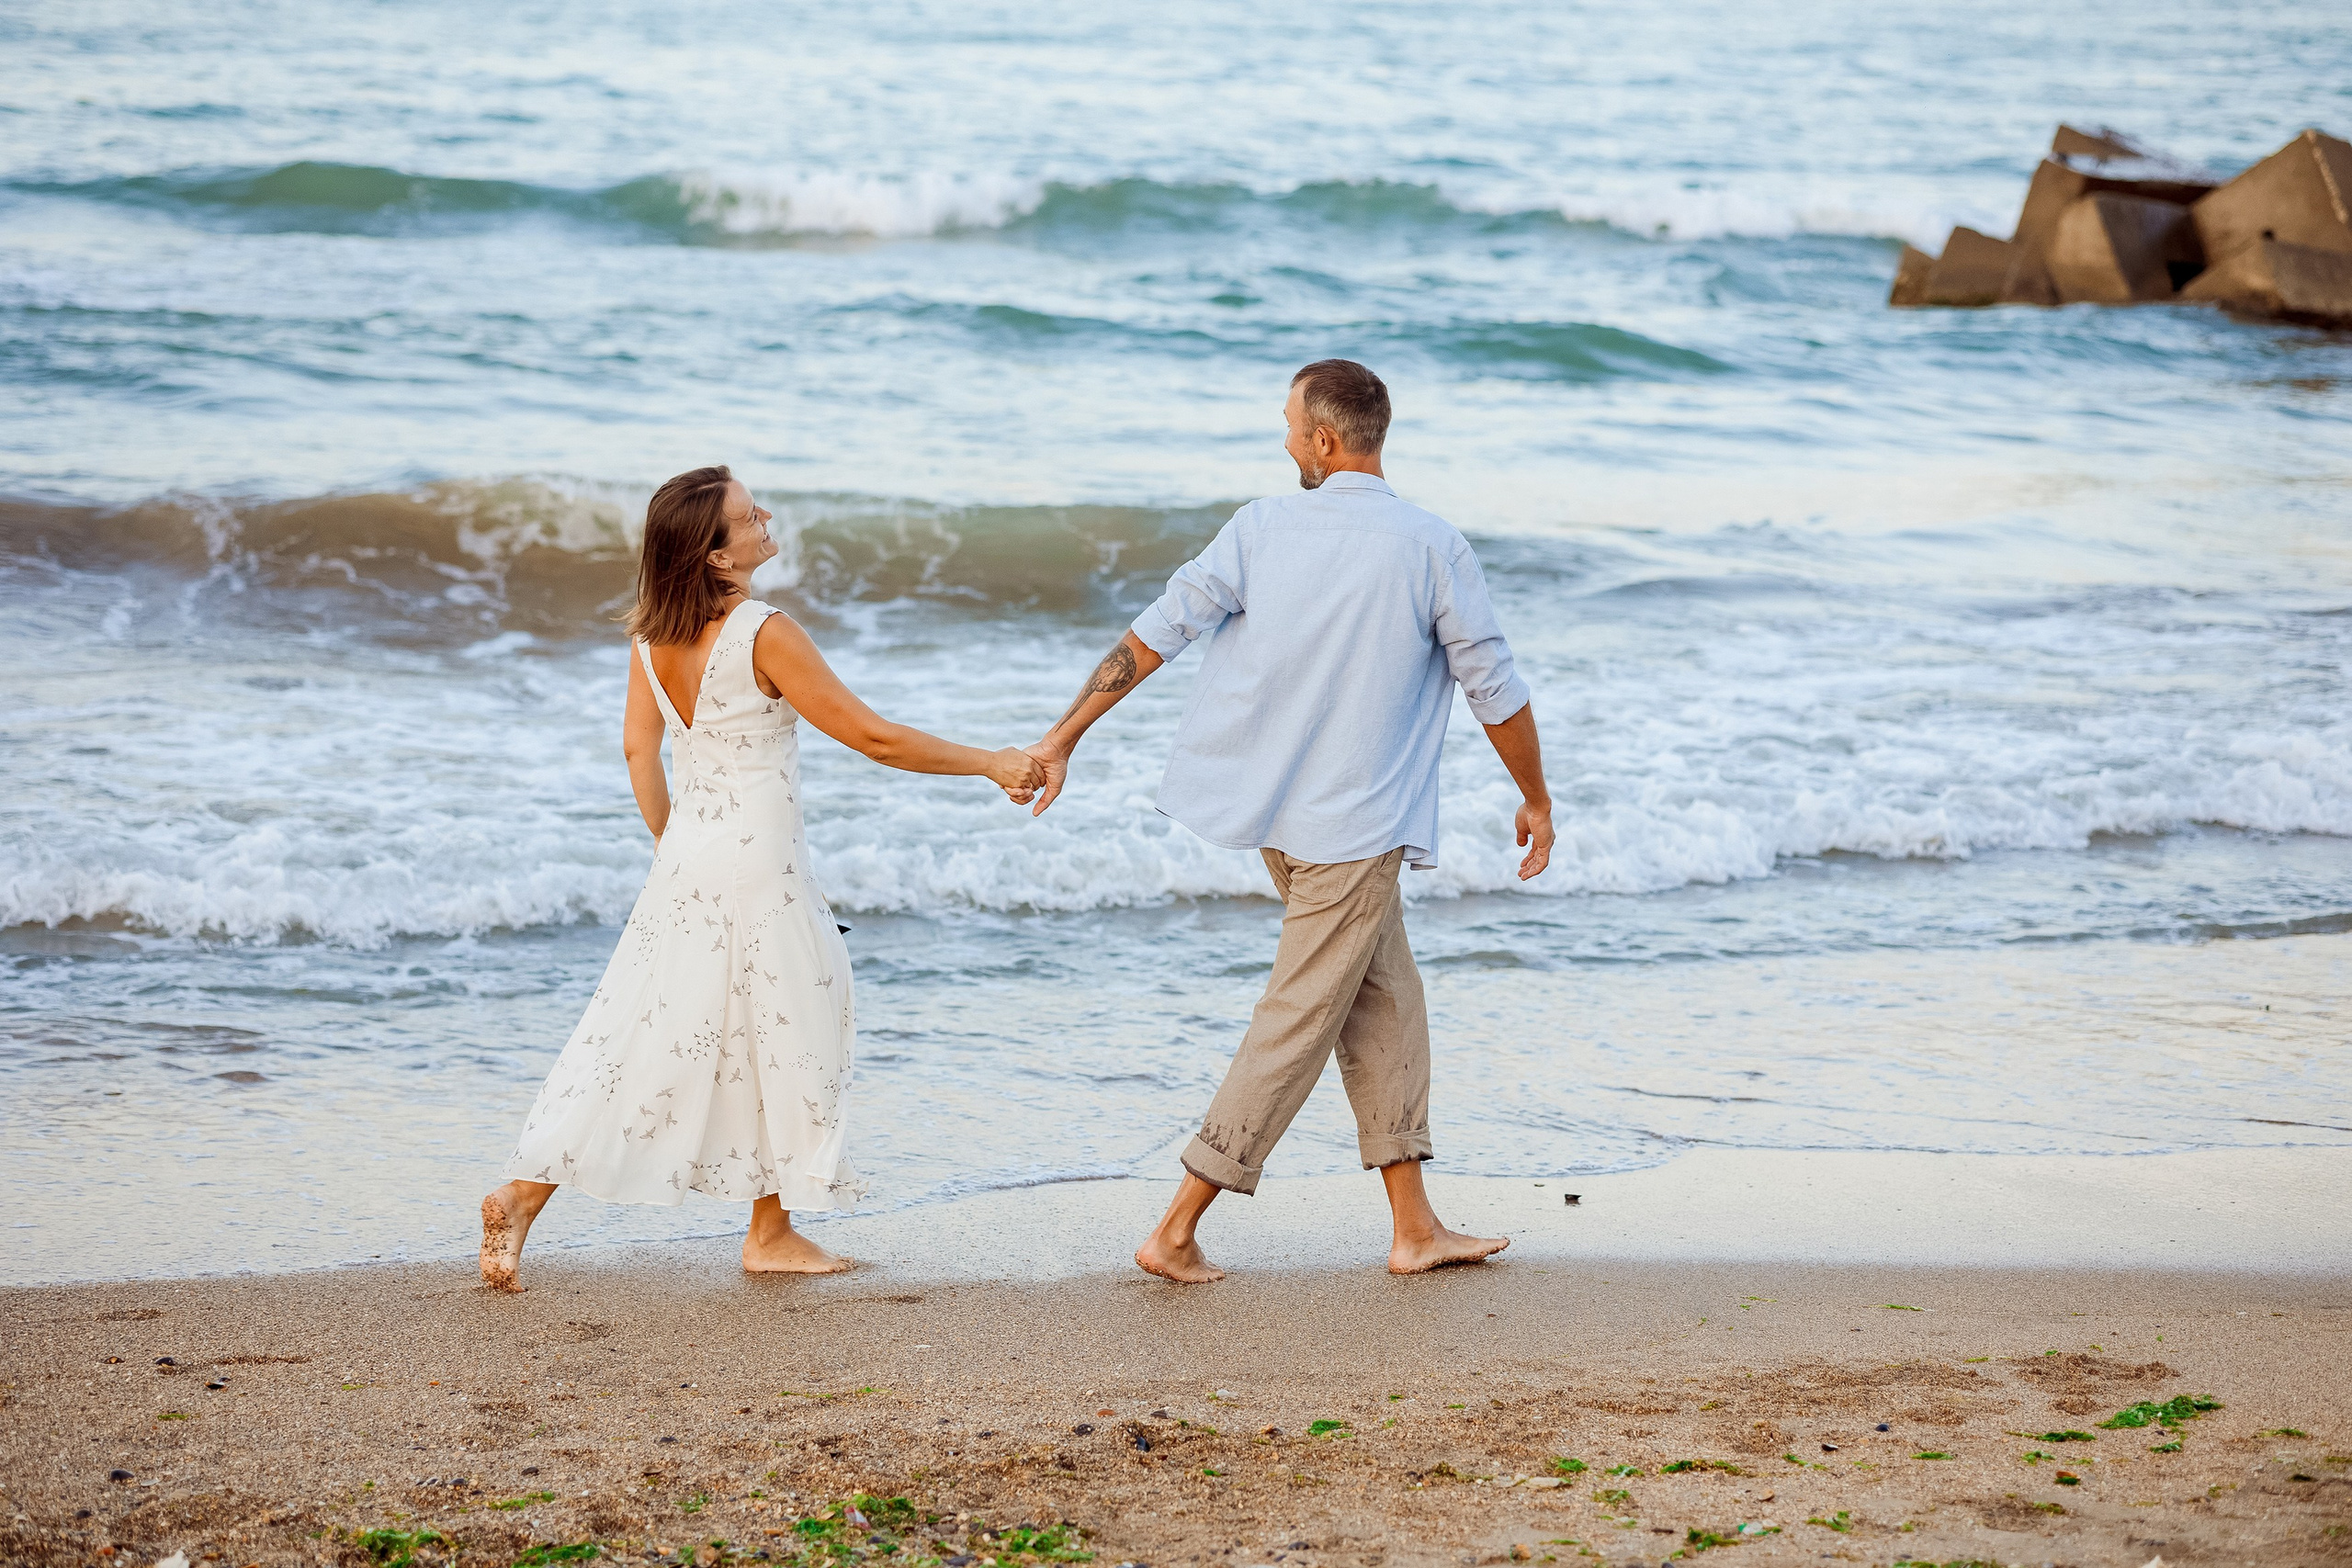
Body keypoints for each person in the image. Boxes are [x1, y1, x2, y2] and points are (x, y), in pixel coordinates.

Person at [1023, 360, 1554, 1282]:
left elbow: (1155, 631)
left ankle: (1413, 1227)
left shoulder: (1260, 528)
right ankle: (1179, 1224)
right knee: (1299, 1018)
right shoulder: (1429, 545)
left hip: (1282, 820)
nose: (1282, 440)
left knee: (1384, 1002)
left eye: (1288, 424)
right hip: (1354, 828)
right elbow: (1494, 689)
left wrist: (1066, 733)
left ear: (1325, 439)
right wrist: (1537, 799)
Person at [479, 466, 1042, 1291]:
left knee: (656, 1039)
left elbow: (640, 749)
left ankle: (554, 1198)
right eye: (748, 516)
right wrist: (991, 762)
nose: (765, 516)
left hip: (691, 862)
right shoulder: (762, 630)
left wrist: (676, 845)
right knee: (786, 1027)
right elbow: (871, 737)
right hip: (757, 868)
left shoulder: (649, 635)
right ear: (714, 555)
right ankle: (756, 1229)